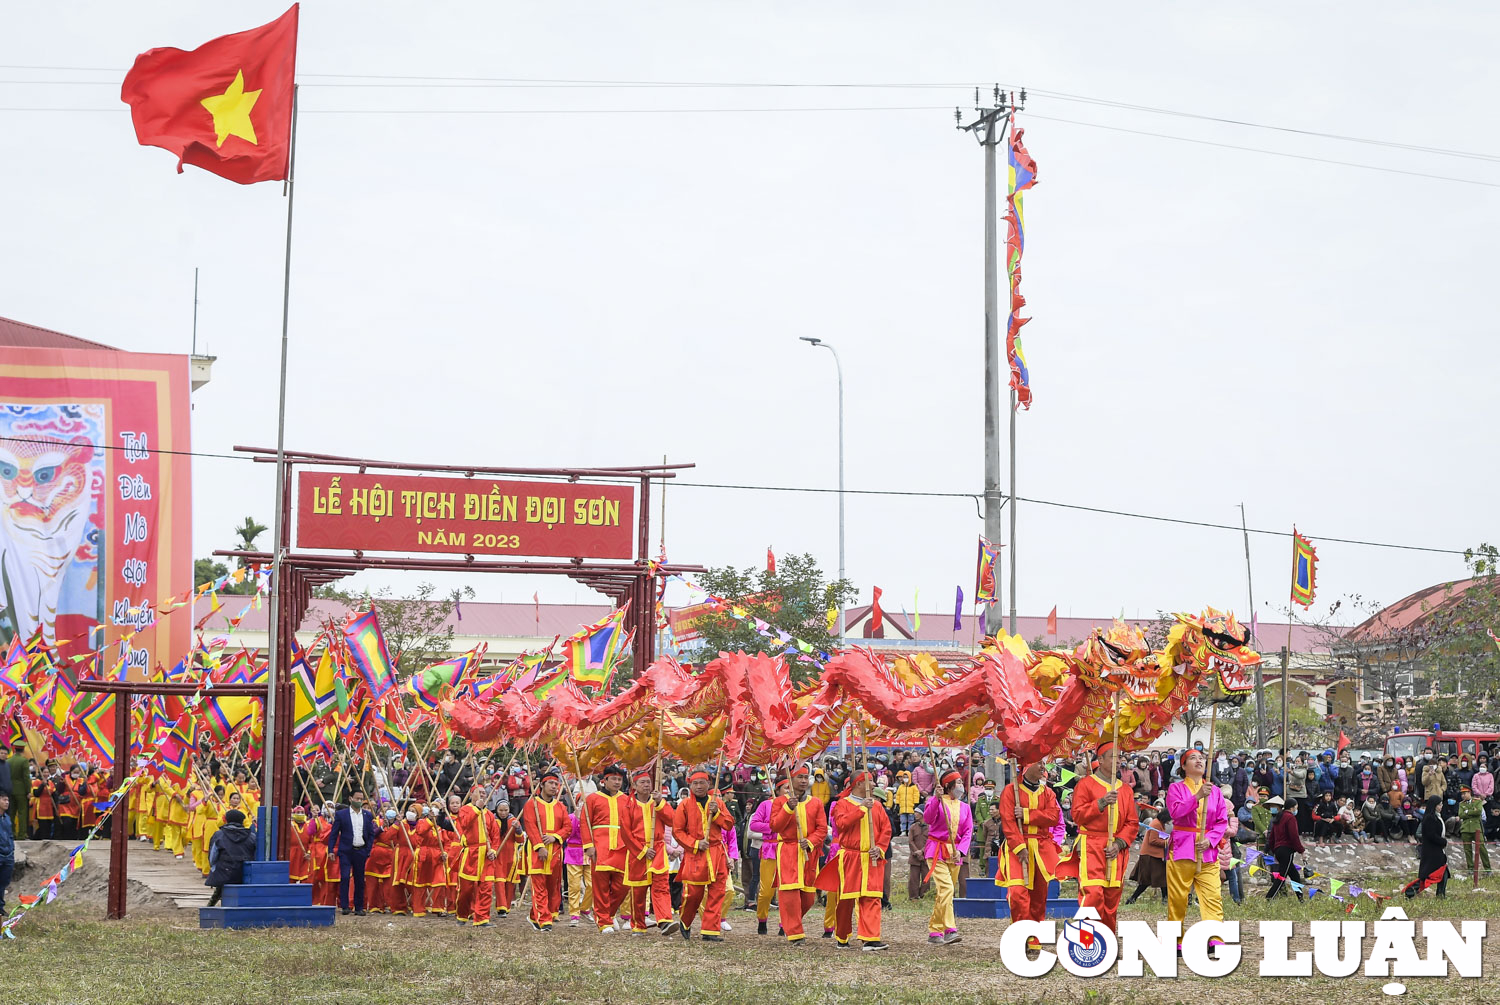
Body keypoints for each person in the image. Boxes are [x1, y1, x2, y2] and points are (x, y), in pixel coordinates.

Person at [817, 769, 890, 951]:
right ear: (859, 784)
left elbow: (886, 830)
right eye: (871, 781)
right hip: (850, 857)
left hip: (871, 858)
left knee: (872, 897)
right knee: (846, 900)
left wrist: (880, 848)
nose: (874, 785)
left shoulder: (877, 806)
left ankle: (870, 939)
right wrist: (861, 809)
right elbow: (841, 824)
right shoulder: (842, 804)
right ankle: (842, 936)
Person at [1071, 742, 1138, 932]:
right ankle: (1087, 941)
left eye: (1120, 758)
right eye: (1113, 757)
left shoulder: (1125, 789)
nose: (1119, 762)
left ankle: (1106, 941)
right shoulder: (1085, 785)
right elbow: (1077, 815)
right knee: (1092, 894)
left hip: (1115, 849)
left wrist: (1119, 843)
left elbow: (1132, 822)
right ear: (1100, 760)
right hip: (1091, 844)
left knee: (1111, 898)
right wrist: (1100, 803)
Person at [1165, 748, 1228, 934]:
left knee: (1213, 895)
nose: (1199, 761)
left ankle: (1215, 937)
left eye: (1201, 758)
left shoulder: (1215, 791)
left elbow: (1222, 821)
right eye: (1193, 758)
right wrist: (1198, 796)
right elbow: (1176, 812)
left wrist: (1210, 840)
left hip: (1207, 851)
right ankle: (1175, 938)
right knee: (1178, 898)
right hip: (1181, 849)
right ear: (1183, 766)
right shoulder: (1175, 788)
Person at [670, 767, 735, 942]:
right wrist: (696, 844)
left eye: (702, 783)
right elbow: (678, 831)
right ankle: (685, 920)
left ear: (708, 784)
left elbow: (729, 824)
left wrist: (718, 813)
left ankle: (710, 930)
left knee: (717, 892)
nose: (699, 786)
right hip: (696, 854)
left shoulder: (717, 803)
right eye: (695, 783)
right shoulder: (684, 805)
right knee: (693, 894)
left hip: (717, 852)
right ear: (690, 785)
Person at [997, 758, 1061, 934]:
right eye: (1039, 763)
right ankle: (1020, 933)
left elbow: (1053, 817)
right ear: (1026, 766)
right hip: (1016, 847)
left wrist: (1026, 814)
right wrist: (1019, 847)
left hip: (1041, 847)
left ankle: (1034, 936)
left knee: (1039, 896)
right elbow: (1008, 823)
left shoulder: (1048, 793)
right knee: (1018, 893)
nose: (1043, 767)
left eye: (1044, 763)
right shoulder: (1010, 791)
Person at [769, 764, 827, 944]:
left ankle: (789, 922)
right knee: (790, 893)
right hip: (788, 850)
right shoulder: (779, 802)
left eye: (805, 777)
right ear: (791, 779)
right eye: (799, 777)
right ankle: (795, 933)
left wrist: (810, 841)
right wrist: (787, 808)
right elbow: (775, 826)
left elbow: (822, 828)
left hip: (808, 852)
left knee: (808, 897)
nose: (803, 781)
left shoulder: (816, 802)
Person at [623, 769, 678, 935]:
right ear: (634, 785)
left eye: (648, 782)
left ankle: (665, 921)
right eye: (642, 782)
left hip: (658, 850)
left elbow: (672, 820)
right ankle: (639, 925)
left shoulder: (657, 802)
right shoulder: (628, 805)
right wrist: (642, 850)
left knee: (661, 887)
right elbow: (626, 833)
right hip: (637, 852)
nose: (646, 785)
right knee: (638, 892)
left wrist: (661, 802)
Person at [922, 769, 972, 946]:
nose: (960, 785)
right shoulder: (936, 801)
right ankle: (950, 929)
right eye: (957, 783)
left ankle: (935, 931)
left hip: (955, 853)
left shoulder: (965, 807)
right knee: (947, 888)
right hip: (936, 850)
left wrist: (961, 850)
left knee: (945, 893)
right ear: (948, 786)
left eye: (961, 782)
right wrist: (935, 799)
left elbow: (968, 831)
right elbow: (928, 819)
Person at [580, 764, 631, 933]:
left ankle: (607, 914)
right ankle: (604, 922)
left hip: (622, 847)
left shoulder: (626, 799)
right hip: (599, 846)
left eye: (619, 779)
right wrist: (588, 846)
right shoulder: (592, 798)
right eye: (614, 779)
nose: (617, 782)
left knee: (623, 885)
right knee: (600, 886)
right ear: (604, 780)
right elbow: (585, 823)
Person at [521, 768, 570, 931]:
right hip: (538, 850)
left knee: (553, 886)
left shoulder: (561, 806)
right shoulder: (531, 804)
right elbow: (530, 826)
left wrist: (555, 836)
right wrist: (539, 846)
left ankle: (536, 915)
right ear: (542, 785)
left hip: (555, 850)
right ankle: (544, 920)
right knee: (539, 884)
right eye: (550, 783)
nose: (554, 787)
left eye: (556, 784)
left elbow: (567, 827)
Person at [453, 784, 501, 926]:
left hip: (486, 855)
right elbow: (465, 824)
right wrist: (476, 809)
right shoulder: (465, 810)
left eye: (484, 793)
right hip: (471, 853)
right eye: (479, 792)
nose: (482, 795)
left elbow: (495, 836)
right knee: (466, 889)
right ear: (471, 794)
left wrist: (494, 850)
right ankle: (462, 916)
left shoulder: (490, 814)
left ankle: (482, 919)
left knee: (486, 888)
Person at [329, 789, 375, 916]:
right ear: (350, 799)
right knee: (344, 877)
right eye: (357, 799)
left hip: (361, 850)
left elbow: (371, 834)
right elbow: (334, 834)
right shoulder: (341, 815)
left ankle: (359, 907)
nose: (359, 801)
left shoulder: (367, 815)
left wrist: (368, 849)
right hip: (346, 851)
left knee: (359, 879)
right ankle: (345, 906)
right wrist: (331, 849)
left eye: (361, 799)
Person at [205, 808, 256, 907]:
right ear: (242, 821)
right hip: (244, 873)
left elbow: (212, 857)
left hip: (224, 872)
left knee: (221, 884)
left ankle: (210, 906)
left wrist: (214, 869)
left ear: (227, 820)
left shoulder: (219, 835)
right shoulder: (251, 836)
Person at [747, 779, 780, 934]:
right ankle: (762, 919)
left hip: (790, 850)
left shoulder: (798, 805)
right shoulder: (766, 805)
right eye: (786, 787)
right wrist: (773, 826)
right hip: (769, 849)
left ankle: (785, 924)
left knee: (787, 891)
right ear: (778, 789)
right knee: (767, 890)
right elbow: (754, 824)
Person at [1404, 795, 1450, 899]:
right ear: (1434, 805)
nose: (1441, 806)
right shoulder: (1430, 818)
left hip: (1437, 849)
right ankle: (1410, 893)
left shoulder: (1437, 816)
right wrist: (1443, 841)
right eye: (1439, 804)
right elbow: (1431, 835)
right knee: (1428, 876)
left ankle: (1441, 895)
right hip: (1431, 851)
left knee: (1443, 872)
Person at [1126, 808, 1169, 905]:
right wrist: (1168, 842)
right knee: (1148, 880)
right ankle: (1133, 898)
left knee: (1161, 878)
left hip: (1155, 855)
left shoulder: (1159, 824)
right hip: (1150, 856)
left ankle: (1164, 898)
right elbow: (1153, 840)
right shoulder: (1156, 824)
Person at [1264, 797, 1305, 900]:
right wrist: (1301, 850)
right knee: (1281, 877)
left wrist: (1274, 851)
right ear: (1292, 808)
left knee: (1295, 875)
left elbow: (1272, 837)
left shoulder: (1279, 817)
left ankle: (1301, 898)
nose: (1296, 810)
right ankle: (1269, 897)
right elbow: (1294, 836)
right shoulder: (1290, 818)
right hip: (1287, 850)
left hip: (1278, 850)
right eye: (1296, 807)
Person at [1458, 785, 1490, 886]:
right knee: (1467, 850)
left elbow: (1478, 812)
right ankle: (1470, 868)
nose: (1463, 795)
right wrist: (1471, 812)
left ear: (1469, 793)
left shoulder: (1477, 801)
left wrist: (1467, 811)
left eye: (1465, 793)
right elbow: (1461, 815)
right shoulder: (1461, 804)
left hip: (1476, 828)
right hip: (1466, 829)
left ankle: (1488, 868)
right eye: (1462, 794)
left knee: (1482, 848)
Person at [906, 813, 930, 900]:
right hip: (914, 856)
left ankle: (924, 896)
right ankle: (913, 897)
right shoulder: (913, 827)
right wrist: (916, 851)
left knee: (926, 878)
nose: (915, 814)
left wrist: (922, 851)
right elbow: (910, 841)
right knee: (913, 878)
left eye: (917, 813)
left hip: (926, 857)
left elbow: (930, 841)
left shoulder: (930, 828)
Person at [894, 771, 921, 836]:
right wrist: (897, 804)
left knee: (911, 820)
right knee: (903, 820)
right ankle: (903, 830)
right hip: (902, 807)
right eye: (904, 777)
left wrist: (915, 803)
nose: (905, 779)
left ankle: (910, 831)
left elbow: (916, 795)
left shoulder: (913, 787)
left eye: (907, 777)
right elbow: (898, 796)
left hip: (911, 807)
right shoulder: (901, 787)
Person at [0, 792, 13, 913]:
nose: (7, 802)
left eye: (8, 800)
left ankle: (1, 906)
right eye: (4, 800)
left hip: (7, 856)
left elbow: (10, 836)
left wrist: (11, 851)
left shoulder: (7, 818)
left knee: (3, 882)